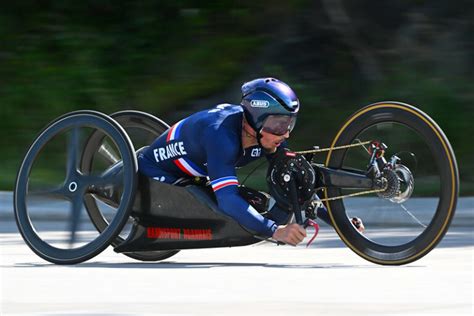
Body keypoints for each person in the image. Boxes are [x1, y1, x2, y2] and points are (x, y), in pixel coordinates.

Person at [138, 77, 363, 246]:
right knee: (225, 214)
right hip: (159, 174)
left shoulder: (266, 135)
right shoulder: (222, 137)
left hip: (194, 175)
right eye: (279, 125)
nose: (285, 134)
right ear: (255, 121)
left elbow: (299, 183)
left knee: (256, 204)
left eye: (289, 124)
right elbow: (228, 200)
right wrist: (275, 230)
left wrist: (340, 223)